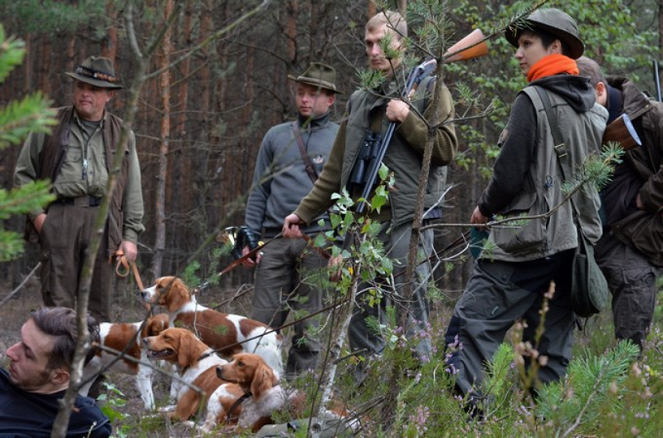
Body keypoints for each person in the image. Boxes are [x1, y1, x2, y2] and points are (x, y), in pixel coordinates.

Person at [444, 8, 608, 405]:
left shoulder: (531, 100)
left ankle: (466, 423)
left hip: (525, 243)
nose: (518, 54)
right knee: (547, 350)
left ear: (555, 46)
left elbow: (508, 174)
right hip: (574, 249)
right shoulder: (596, 108)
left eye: (527, 44)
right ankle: (546, 424)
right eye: (518, 45)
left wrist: (484, 208)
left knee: (468, 329)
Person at [283, 11, 457, 364]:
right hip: (363, 224)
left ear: (402, 44)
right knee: (361, 316)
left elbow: (444, 151)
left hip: (407, 221)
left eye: (382, 42)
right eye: (369, 43)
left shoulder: (429, 88)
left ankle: (413, 395)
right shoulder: (361, 99)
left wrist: (407, 118)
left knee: (410, 310)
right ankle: (364, 395)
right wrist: (303, 213)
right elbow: (337, 169)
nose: (374, 50)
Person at [14, 56, 145, 322]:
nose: (85, 93)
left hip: (105, 221)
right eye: (80, 86)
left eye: (94, 89)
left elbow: (132, 189)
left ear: (109, 95)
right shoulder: (49, 124)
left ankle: (91, 362)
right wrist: (41, 220)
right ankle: (60, 363)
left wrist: (130, 235)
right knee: (57, 306)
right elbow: (23, 177)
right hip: (60, 216)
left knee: (98, 306)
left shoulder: (122, 133)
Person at [242, 62, 341, 377]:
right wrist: (250, 239)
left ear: (331, 100)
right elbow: (260, 190)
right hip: (274, 240)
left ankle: (299, 399)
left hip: (319, 243)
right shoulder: (276, 136)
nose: (305, 100)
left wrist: (340, 246)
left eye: (313, 94)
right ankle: (255, 391)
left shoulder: (342, 138)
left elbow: (349, 196)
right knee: (261, 326)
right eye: (300, 93)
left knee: (309, 326)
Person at [576, 56, 663, 352]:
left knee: (635, 287)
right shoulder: (577, 119)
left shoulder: (651, 117)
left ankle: (626, 389)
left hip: (630, 235)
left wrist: (651, 195)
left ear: (600, 90)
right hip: (579, 236)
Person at [0, 307, 112, 437]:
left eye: (28, 353)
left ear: (59, 377)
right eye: (21, 340)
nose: (10, 352)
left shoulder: (78, 425)